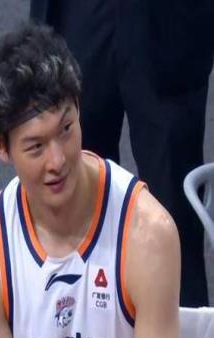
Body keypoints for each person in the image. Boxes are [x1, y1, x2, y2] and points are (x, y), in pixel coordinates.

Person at [0, 24, 180, 338]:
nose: (58, 160)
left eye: (66, 129)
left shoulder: (148, 235)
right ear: (2, 148)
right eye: (36, 146)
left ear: (79, 108)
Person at [29, 0, 214, 307]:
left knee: (172, 201)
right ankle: (68, 323)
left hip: (168, 19)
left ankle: (181, 329)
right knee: (71, 182)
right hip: (79, 13)